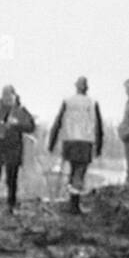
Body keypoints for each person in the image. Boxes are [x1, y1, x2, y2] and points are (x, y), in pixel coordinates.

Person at [48, 76, 103, 214]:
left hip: (70, 140)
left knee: (73, 170)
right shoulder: (92, 102)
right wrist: (99, 146)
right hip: (85, 142)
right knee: (80, 171)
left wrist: (52, 142)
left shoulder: (68, 101)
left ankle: (73, 202)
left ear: (76, 87)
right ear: (86, 87)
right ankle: (74, 205)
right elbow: (99, 126)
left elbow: (58, 122)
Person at [0, 85, 36, 214]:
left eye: (10, 96)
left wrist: (17, 124)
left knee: (12, 179)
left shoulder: (21, 111)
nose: (8, 98)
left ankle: (11, 206)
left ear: (14, 96)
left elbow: (31, 127)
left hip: (13, 149)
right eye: (5, 96)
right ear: (2, 97)